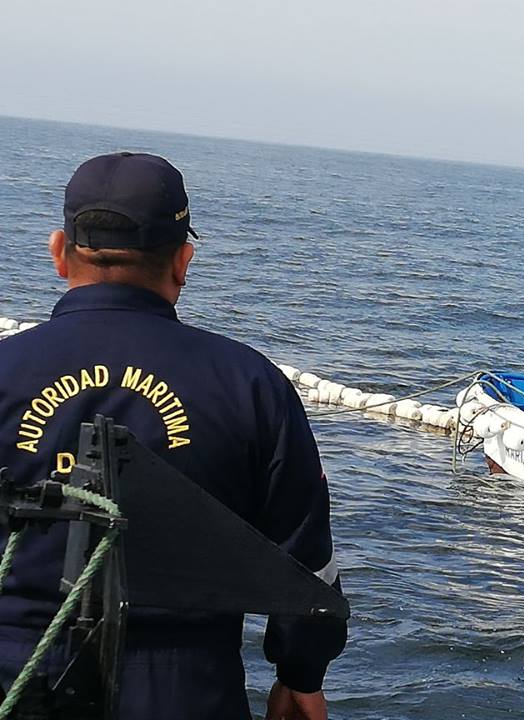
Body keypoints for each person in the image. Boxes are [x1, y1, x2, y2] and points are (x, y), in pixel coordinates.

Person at [0, 153, 346, 719]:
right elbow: (306, 560)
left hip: (15, 671)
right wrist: (300, 675)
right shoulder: (251, 385)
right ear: (183, 261)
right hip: (187, 687)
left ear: (59, 253)